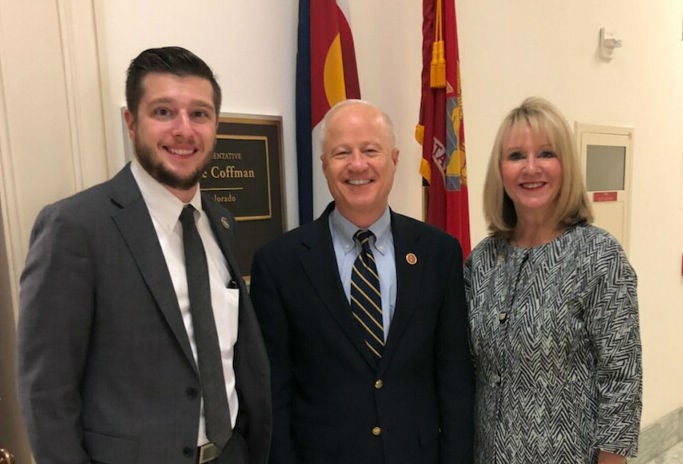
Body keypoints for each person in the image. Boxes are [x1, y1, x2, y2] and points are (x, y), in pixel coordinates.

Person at [17, 46, 271, 464]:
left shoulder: (221, 223)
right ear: (131, 123)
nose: (184, 130)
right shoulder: (76, 227)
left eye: (200, 114)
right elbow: (46, 392)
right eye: (164, 112)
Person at [250, 99, 474, 464]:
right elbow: (275, 393)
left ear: (395, 159)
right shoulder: (279, 263)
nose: (357, 164)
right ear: (324, 166)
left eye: (371, 150)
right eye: (341, 153)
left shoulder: (439, 253)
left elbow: (454, 378)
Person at [464, 97, 642, 464]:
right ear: (500, 171)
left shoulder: (598, 255)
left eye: (546, 153)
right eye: (515, 156)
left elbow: (621, 383)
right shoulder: (482, 260)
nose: (531, 168)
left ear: (566, 166)